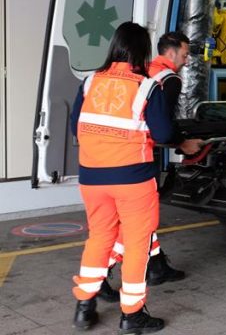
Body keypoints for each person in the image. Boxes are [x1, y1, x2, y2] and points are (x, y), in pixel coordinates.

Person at [70, 22, 169, 332]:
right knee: (137, 243)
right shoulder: (147, 86)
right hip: (133, 178)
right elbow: (164, 133)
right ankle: (132, 315)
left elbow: (75, 127)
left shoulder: (90, 82)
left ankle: (84, 307)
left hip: (92, 178)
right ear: (143, 51)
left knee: (99, 237)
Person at [100, 32, 201, 302]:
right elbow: (161, 127)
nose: (186, 60)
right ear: (171, 52)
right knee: (139, 220)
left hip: (109, 155)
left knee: (137, 219)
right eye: (184, 54)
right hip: (139, 156)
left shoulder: (142, 70)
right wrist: (182, 143)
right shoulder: (169, 79)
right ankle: (102, 273)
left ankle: (156, 267)